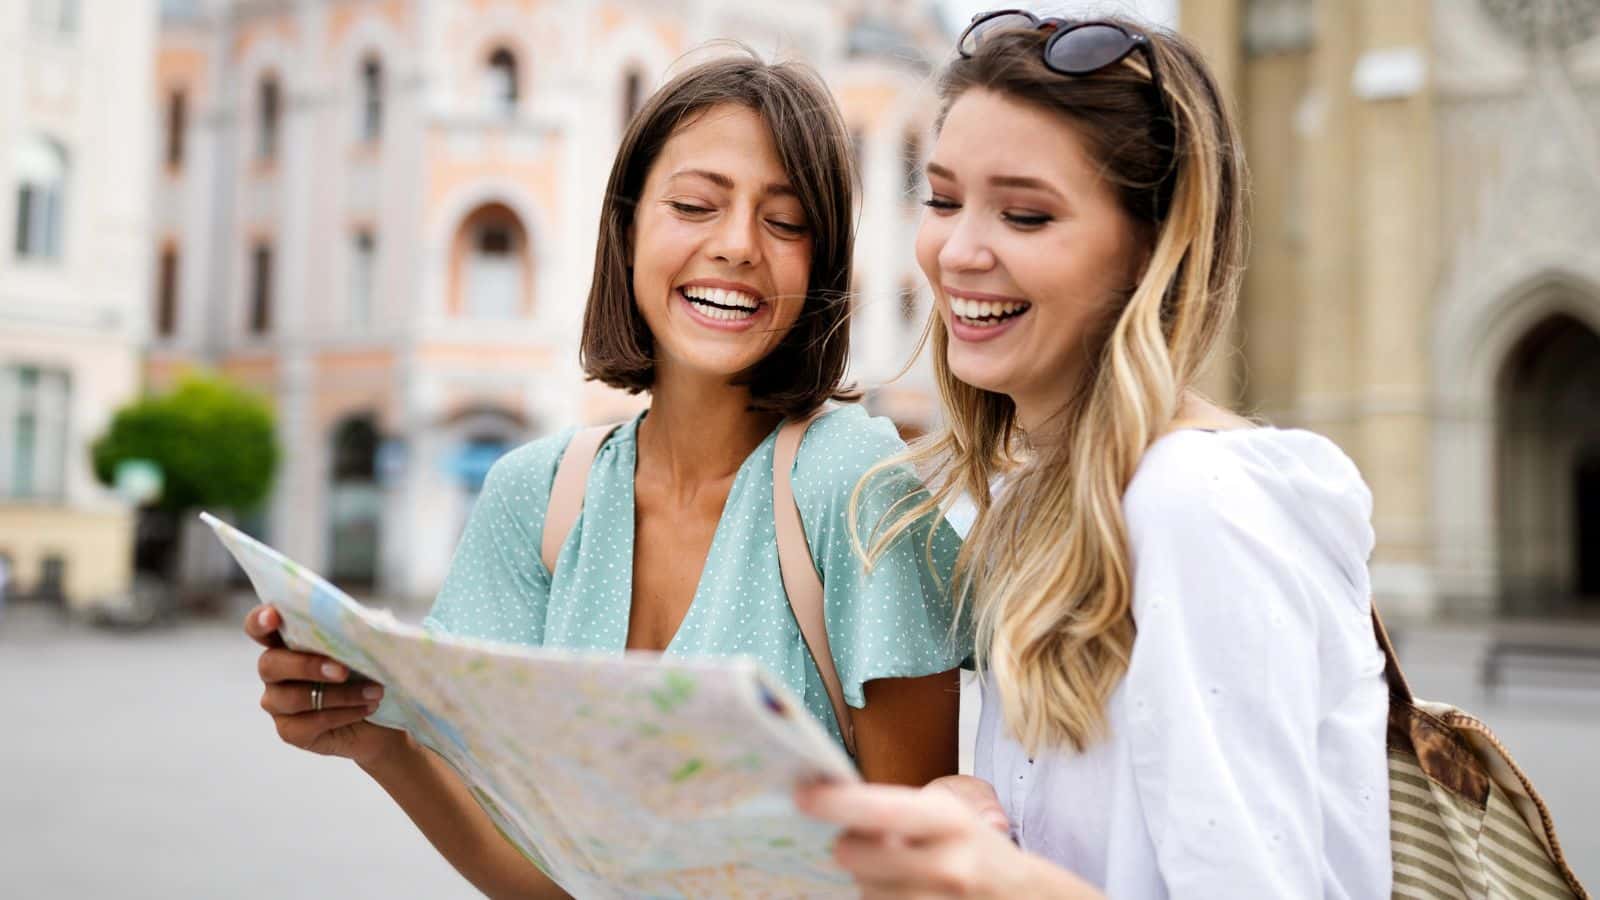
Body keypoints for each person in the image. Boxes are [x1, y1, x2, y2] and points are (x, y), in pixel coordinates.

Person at [244, 52, 969, 898]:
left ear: (821, 269)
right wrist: (374, 738)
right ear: (626, 229)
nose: (736, 246)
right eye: (696, 205)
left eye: (786, 221)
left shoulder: (859, 484)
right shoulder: (534, 496)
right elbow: (550, 883)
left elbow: (924, 877)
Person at [800, 12, 1391, 898]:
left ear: (1149, 249)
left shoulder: (1195, 504)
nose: (959, 252)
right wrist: (982, 824)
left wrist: (995, 879)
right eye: (945, 199)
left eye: (1027, 214)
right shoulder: (1044, 495)